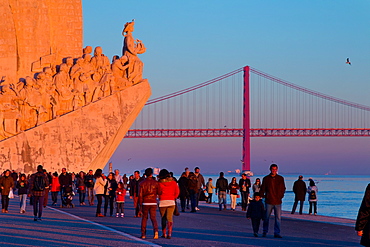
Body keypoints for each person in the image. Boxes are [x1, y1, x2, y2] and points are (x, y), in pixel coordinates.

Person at [260, 164, 286, 238]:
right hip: (269, 201)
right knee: (266, 217)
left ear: (277, 170)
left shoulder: (280, 178)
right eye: (272, 169)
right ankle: (265, 231)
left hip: (278, 201)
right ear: (270, 169)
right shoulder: (266, 178)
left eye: (275, 169)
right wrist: (263, 196)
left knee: (278, 218)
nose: (274, 171)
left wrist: (280, 196)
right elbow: (263, 189)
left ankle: (277, 232)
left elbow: (283, 188)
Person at [138, 168, 160, 239]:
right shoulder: (156, 183)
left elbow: (140, 195)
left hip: (145, 202)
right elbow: (159, 192)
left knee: (144, 218)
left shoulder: (142, 183)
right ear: (151, 174)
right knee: (153, 218)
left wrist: (140, 205)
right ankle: (156, 232)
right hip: (153, 202)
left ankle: (143, 234)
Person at [158, 169, 179, 239]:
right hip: (171, 202)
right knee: (170, 218)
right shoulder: (173, 183)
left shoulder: (159, 183)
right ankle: (169, 233)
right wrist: (173, 197)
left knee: (163, 218)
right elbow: (177, 192)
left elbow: (158, 192)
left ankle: (164, 233)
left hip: (162, 202)